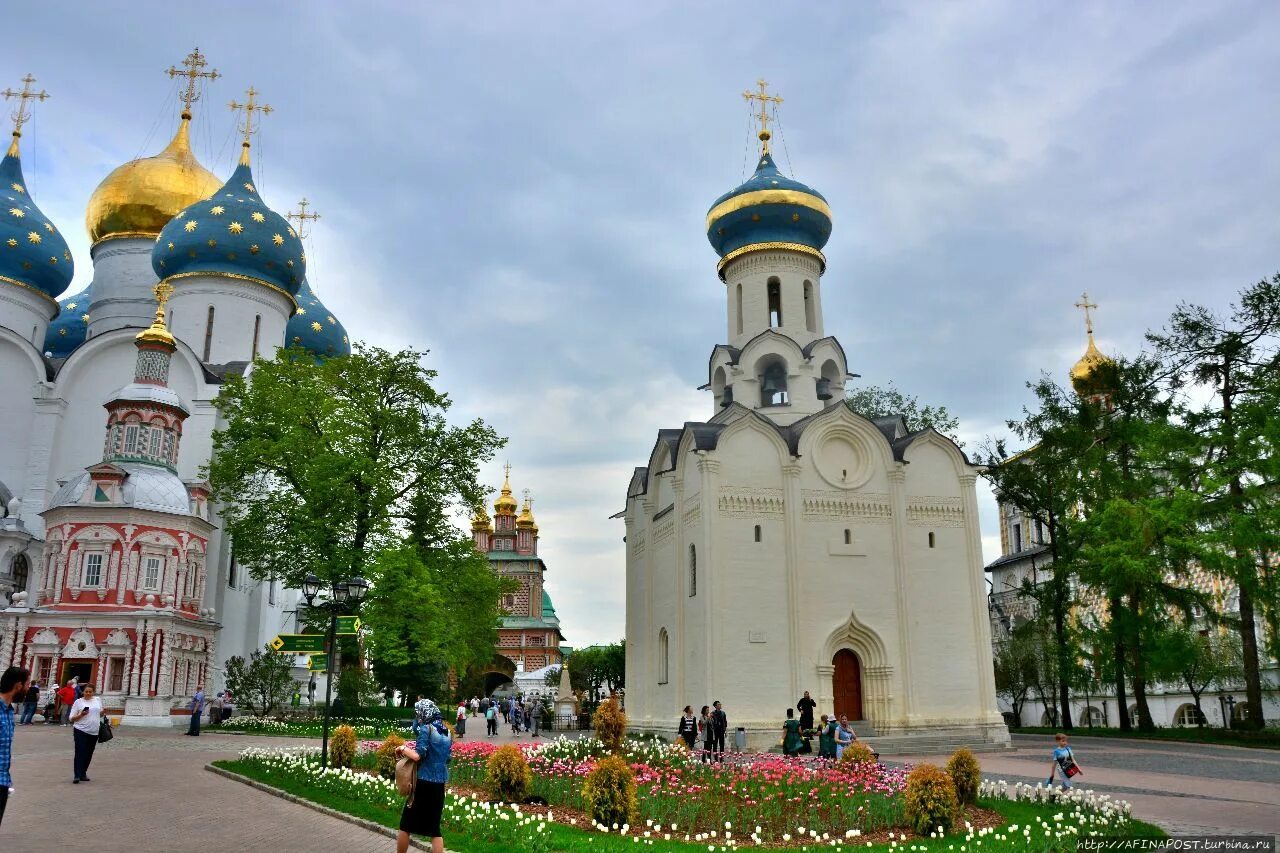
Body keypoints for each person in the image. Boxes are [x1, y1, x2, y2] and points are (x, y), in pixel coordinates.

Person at [396, 699, 452, 853]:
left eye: (418, 712)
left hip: (424, 782)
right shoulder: (447, 731)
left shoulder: (426, 728)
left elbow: (417, 756)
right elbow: (448, 758)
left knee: (406, 824)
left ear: (423, 712)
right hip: (439, 783)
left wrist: (402, 748)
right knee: (435, 829)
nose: (417, 716)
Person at [1, 666, 30, 826]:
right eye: (26, 685)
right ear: (17, 686)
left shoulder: (9, 711)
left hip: (3, 780)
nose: (28, 689)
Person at [70, 683, 104, 783]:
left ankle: (83, 773)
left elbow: (100, 714)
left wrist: (102, 712)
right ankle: (77, 775)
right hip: (80, 730)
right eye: (86, 692)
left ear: (93, 692)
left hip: (94, 731)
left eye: (90, 692)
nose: (88, 693)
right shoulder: (78, 702)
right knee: (80, 752)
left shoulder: (97, 700)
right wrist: (81, 715)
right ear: (83, 692)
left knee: (89, 753)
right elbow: (71, 718)